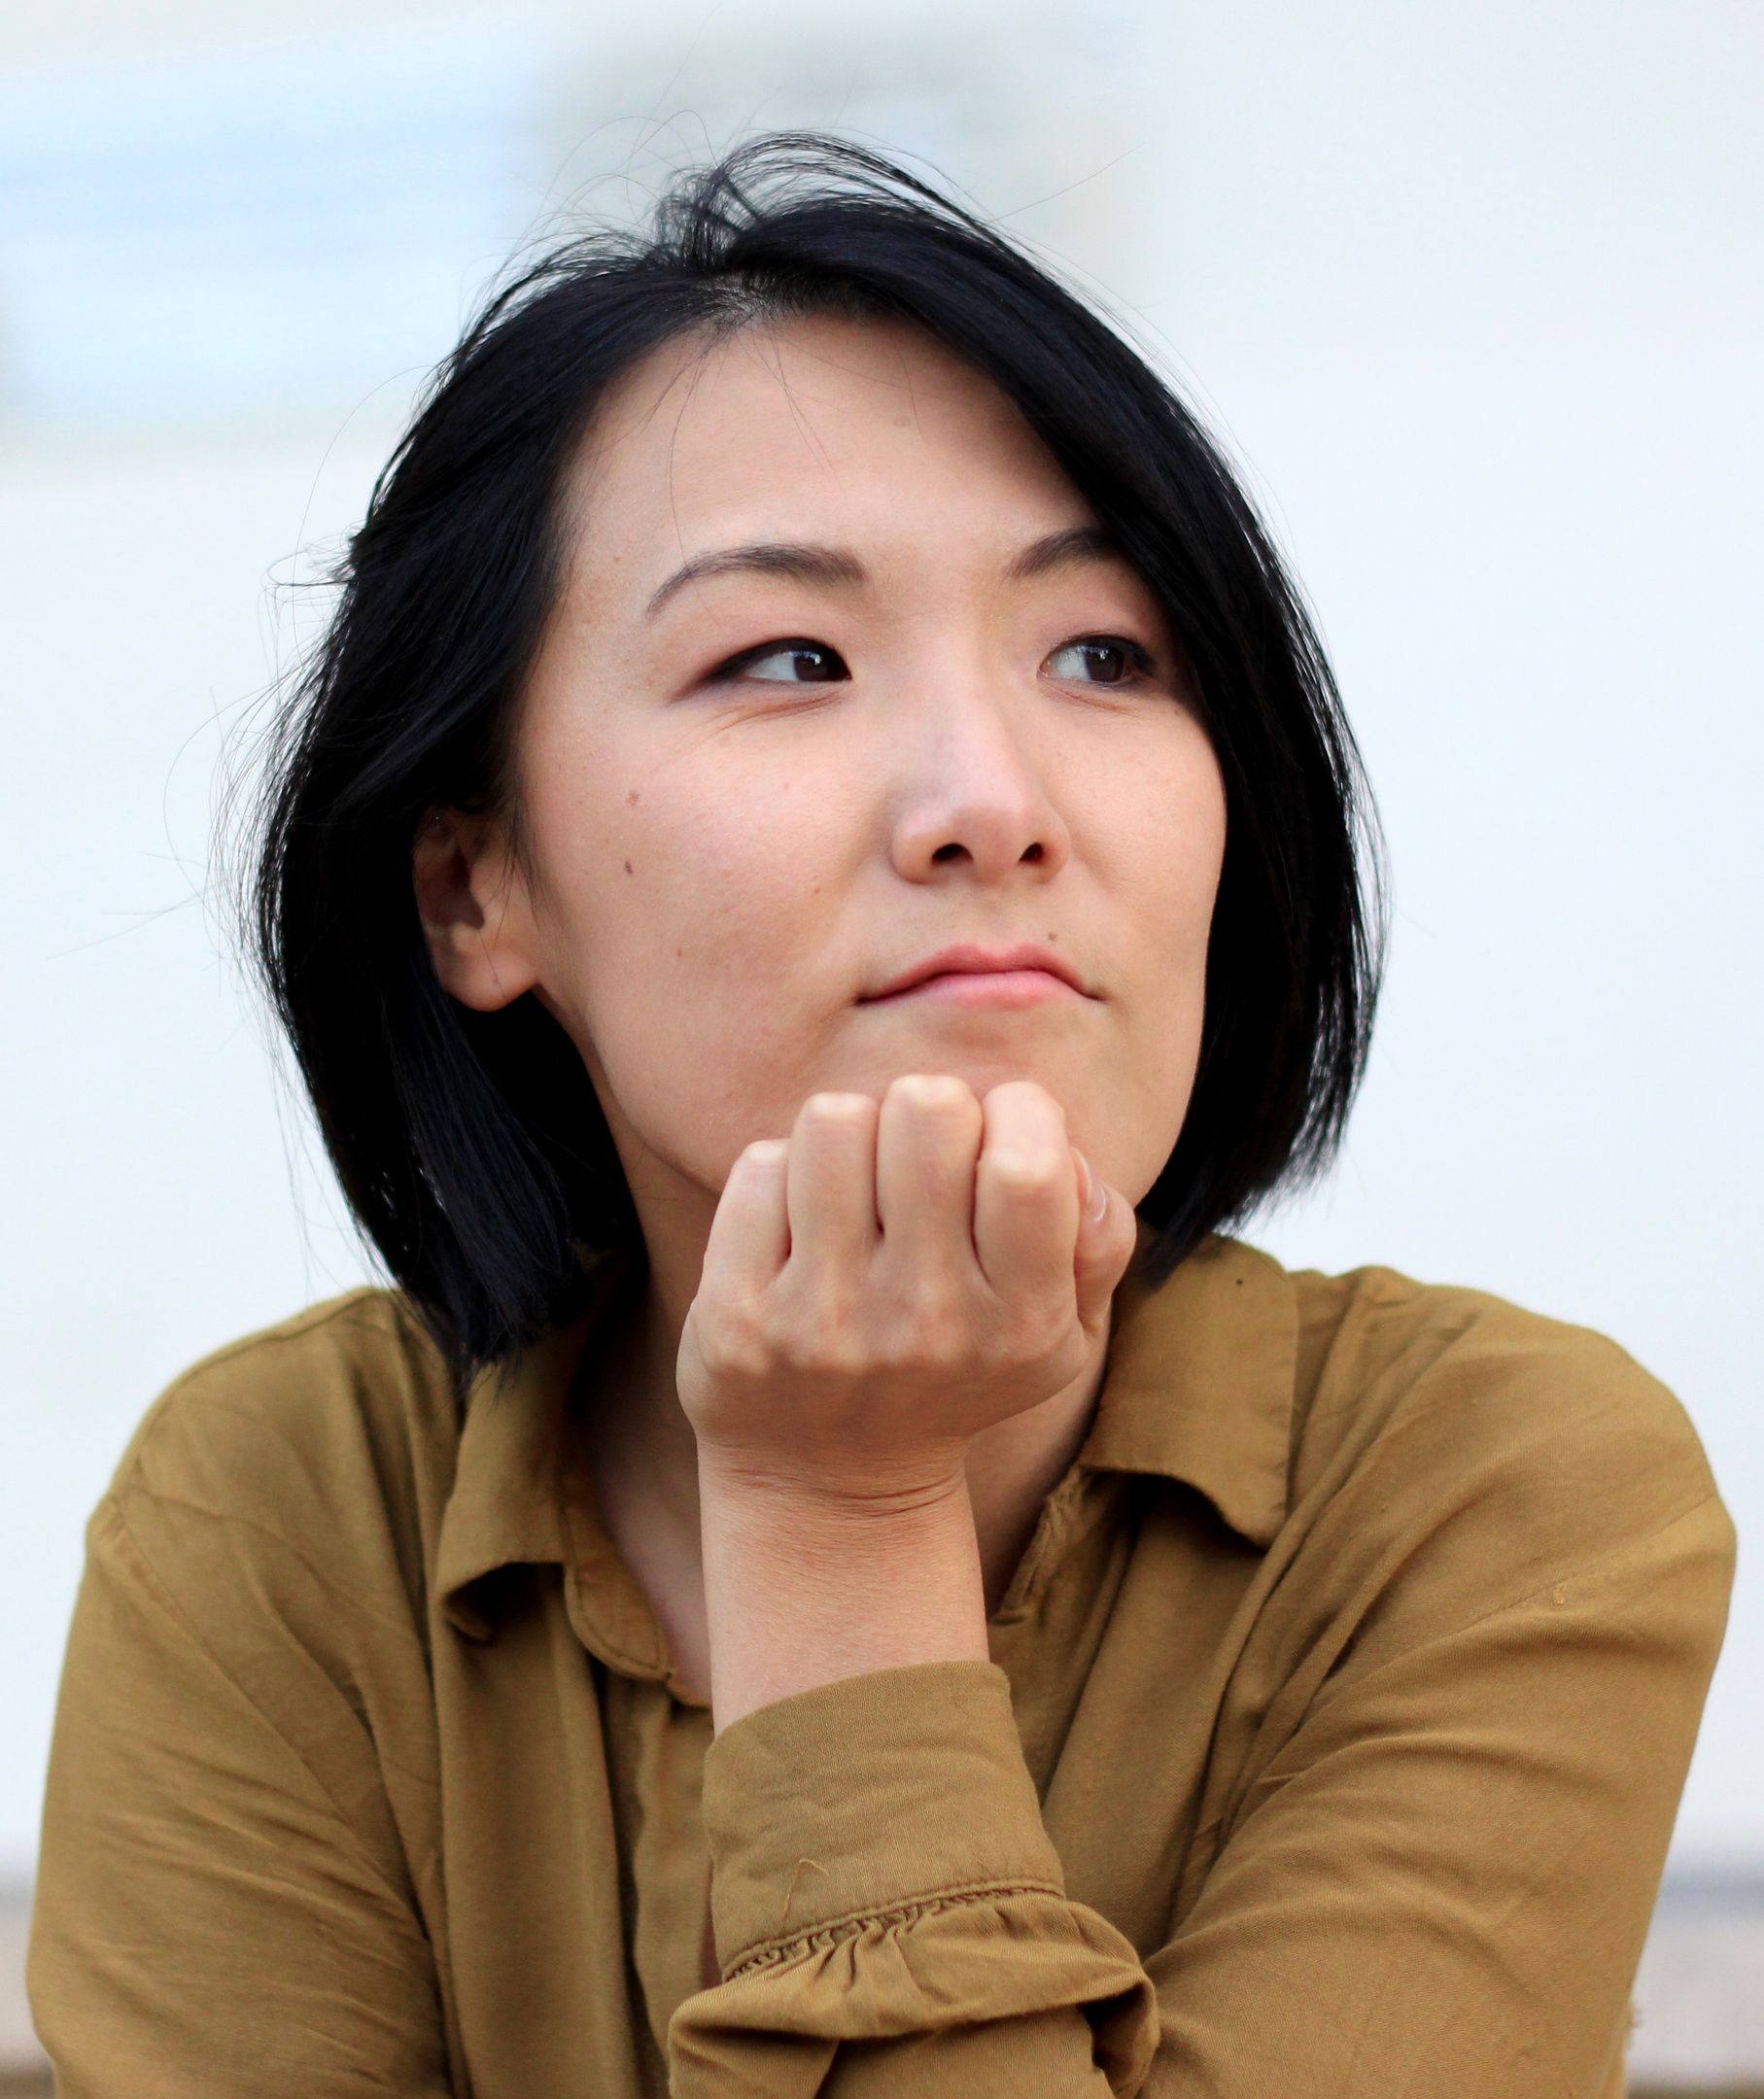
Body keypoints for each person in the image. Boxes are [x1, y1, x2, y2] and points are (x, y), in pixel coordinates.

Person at [27, 131, 1733, 2098]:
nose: (990, 800)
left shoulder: (1493, 1493)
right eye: (788, 658)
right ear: (475, 889)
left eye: (1103, 655)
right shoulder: (277, 1513)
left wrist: (840, 1524)